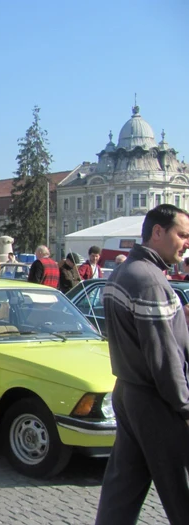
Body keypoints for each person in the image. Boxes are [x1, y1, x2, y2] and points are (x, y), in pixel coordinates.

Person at [95, 204, 189, 525]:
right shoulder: (149, 280)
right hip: (156, 400)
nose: (186, 242)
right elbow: (164, 357)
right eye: (182, 234)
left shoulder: (125, 271)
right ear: (157, 232)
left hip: (130, 391)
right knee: (182, 490)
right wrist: (184, 407)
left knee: (123, 489)